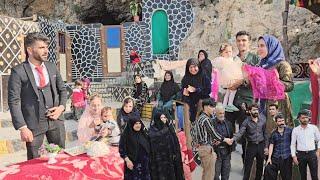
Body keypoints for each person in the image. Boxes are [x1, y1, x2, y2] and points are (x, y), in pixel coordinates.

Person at [8, 32, 67, 160]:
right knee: (34, 162)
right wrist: (23, 128)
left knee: (61, 158)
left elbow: (62, 90)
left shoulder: (52, 67)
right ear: (29, 50)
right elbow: (14, 101)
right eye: (41, 48)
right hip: (33, 125)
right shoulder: (18, 71)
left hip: (56, 121)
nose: (46, 51)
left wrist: (61, 108)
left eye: (46, 47)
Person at [228, 31, 260, 166]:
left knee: (246, 134)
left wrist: (243, 81)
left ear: (249, 42)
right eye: (239, 40)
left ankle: (247, 167)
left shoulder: (255, 59)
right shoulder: (232, 59)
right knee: (227, 131)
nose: (241, 43)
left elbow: (258, 80)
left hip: (248, 101)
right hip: (232, 101)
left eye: (244, 40)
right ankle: (225, 165)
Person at [191, 98, 233, 180]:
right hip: (206, 149)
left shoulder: (201, 117)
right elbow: (214, 133)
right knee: (209, 175)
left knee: (206, 173)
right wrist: (225, 139)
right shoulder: (206, 119)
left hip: (204, 148)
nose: (214, 109)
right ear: (206, 107)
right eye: (212, 106)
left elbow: (197, 133)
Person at [257, 34, 294, 126]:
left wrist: (276, 82)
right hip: (263, 103)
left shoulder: (282, 64)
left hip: (278, 104)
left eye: (262, 46)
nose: (259, 49)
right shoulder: (261, 65)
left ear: (271, 46)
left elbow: (290, 85)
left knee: (278, 133)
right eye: (258, 46)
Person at [233, 103, 269, 180]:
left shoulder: (263, 119)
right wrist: (233, 140)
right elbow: (240, 132)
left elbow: (265, 134)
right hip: (251, 146)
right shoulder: (246, 121)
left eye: (257, 110)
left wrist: (266, 147)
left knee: (260, 167)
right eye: (254, 110)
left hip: (261, 145)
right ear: (249, 111)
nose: (256, 111)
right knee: (247, 167)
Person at [149, 110, 184, 180]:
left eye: (164, 117)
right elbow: (153, 139)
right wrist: (164, 130)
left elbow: (174, 141)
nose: (163, 119)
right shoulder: (152, 130)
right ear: (156, 119)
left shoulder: (169, 127)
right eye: (161, 118)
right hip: (159, 160)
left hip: (170, 157)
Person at [212, 43, 243, 112]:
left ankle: (225, 105)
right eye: (226, 52)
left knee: (228, 91)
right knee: (233, 90)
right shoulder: (222, 59)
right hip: (227, 77)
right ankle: (230, 103)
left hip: (230, 76)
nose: (228, 53)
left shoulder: (231, 59)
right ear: (222, 53)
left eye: (230, 51)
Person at [291, 109, 320, 180]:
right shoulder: (295, 130)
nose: (305, 119)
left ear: (309, 118)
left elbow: (319, 140)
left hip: (312, 154)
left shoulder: (314, 128)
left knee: (314, 175)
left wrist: (318, 151)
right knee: (303, 176)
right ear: (299, 119)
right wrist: (294, 156)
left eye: (306, 117)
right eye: (303, 118)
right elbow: (293, 144)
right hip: (301, 155)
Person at [119, 114, 151, 180]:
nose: (138, 125)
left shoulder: (143, 133)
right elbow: (122, 150)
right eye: (136, 123)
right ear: (131, 124)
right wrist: (127, 161)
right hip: (132, 163)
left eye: (139, 123)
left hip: (145, 164)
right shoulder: (125, 135)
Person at [264, 113, 293, 180]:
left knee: (287, 177)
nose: (281, 123)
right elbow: (271, 145)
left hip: (286, 157)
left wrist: (293, 155)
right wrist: (269, 158)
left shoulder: (290, 131)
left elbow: (294, 143)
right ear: (276, 122)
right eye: (279, 121)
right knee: (268, 169)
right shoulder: (273, 133)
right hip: (276, 157)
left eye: (282, 121)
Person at [181, 58, 211, 123]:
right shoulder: (185, 78)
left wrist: (196, 90)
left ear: (198, 67)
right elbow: (182, 90)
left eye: (195, 67)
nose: (193, 69)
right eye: (190, 67)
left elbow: (208, 90)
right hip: (190, 104)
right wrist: (184, 93)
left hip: (202, 102)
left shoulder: (204, 77)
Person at [212, 103, 235, 180]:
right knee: (215, 175)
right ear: (215, 112)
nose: (222, 115)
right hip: (216, 152)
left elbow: (232, 136)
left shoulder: (228, 124)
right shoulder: (212, 123)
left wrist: (232, 146)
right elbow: (211, 137)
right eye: (220, 113)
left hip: (226, 152)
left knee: (225, 175)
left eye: (223, 113)